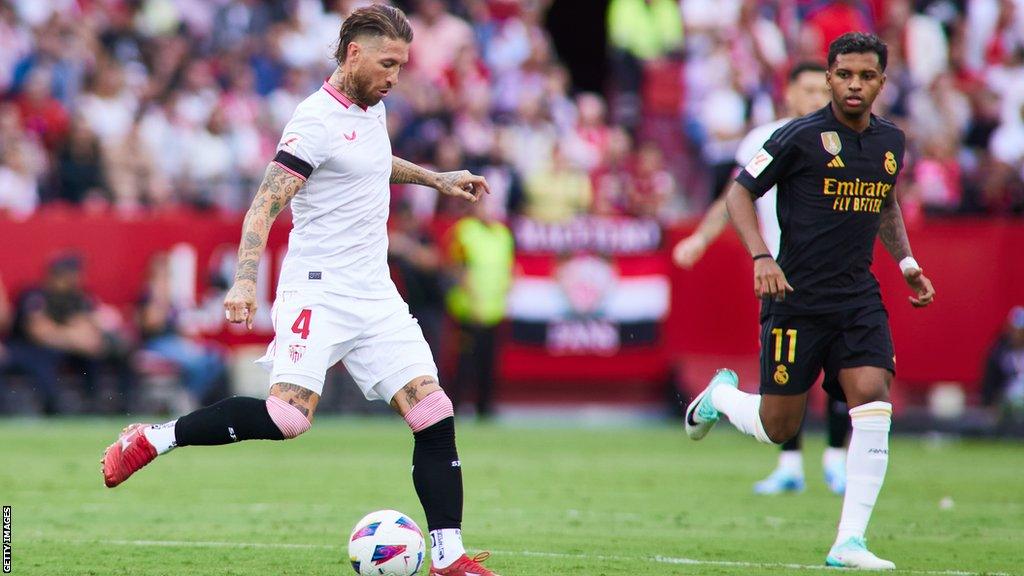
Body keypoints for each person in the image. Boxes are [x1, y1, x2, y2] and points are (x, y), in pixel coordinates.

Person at [101, 7, 500, 576]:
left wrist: (436, 178)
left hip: (375, 294)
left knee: (433, 410)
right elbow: (265, 203)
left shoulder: (372, 109)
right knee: (288, 419)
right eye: (387, 63)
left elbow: (370, 160)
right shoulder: (313, 120)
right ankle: (153, 437)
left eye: (402, 65)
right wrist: (243, 279)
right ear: (354, 54)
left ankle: (449, 556)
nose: (395, 76)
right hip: (319, 291)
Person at [683, 33, 935, 569]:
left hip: (857, 297)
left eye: (866, 76)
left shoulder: (892, 141)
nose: (854, 85)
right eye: (844, 74)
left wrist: (908, 264)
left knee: (872, 395)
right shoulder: (796, 136)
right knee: (780, 426)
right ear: (829, 77)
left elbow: (886, 205)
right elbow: (737, 192)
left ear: (882, 83)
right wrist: (760, 257)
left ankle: (850, 542)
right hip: (794, 299)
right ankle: (719, 399)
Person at [674, 62, 852, 496]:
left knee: (844, 365)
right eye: (807, 89)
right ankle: (789, 463)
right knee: (786, 371)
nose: (815, 98)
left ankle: (836, 459)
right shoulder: (766, 138)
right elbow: (735, 194)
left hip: (837, 271)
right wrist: (701, 239)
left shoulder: (848, 136)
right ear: (788, 93)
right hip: (781, 272)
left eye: (820, 89)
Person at [7, 254, 134, 414]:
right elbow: (40, 332)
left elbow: (87, 325)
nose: (76, 279)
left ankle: (103, 406)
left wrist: (90, 340)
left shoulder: (76, 297)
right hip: (28, 348)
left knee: (103, 354)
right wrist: (74, 340)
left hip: (65, 349)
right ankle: (52, 409)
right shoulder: (35, 294)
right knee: (44, 360)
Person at [444, 194, 515, 419]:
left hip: (494, 310)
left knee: (489, 362)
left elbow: (507, 267)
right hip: (469, 310)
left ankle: (484, 408)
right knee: (464, 363)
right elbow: (457, 266)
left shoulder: (503, 234)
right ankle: (453, 407)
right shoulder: (465, 231)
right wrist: (471, 298)